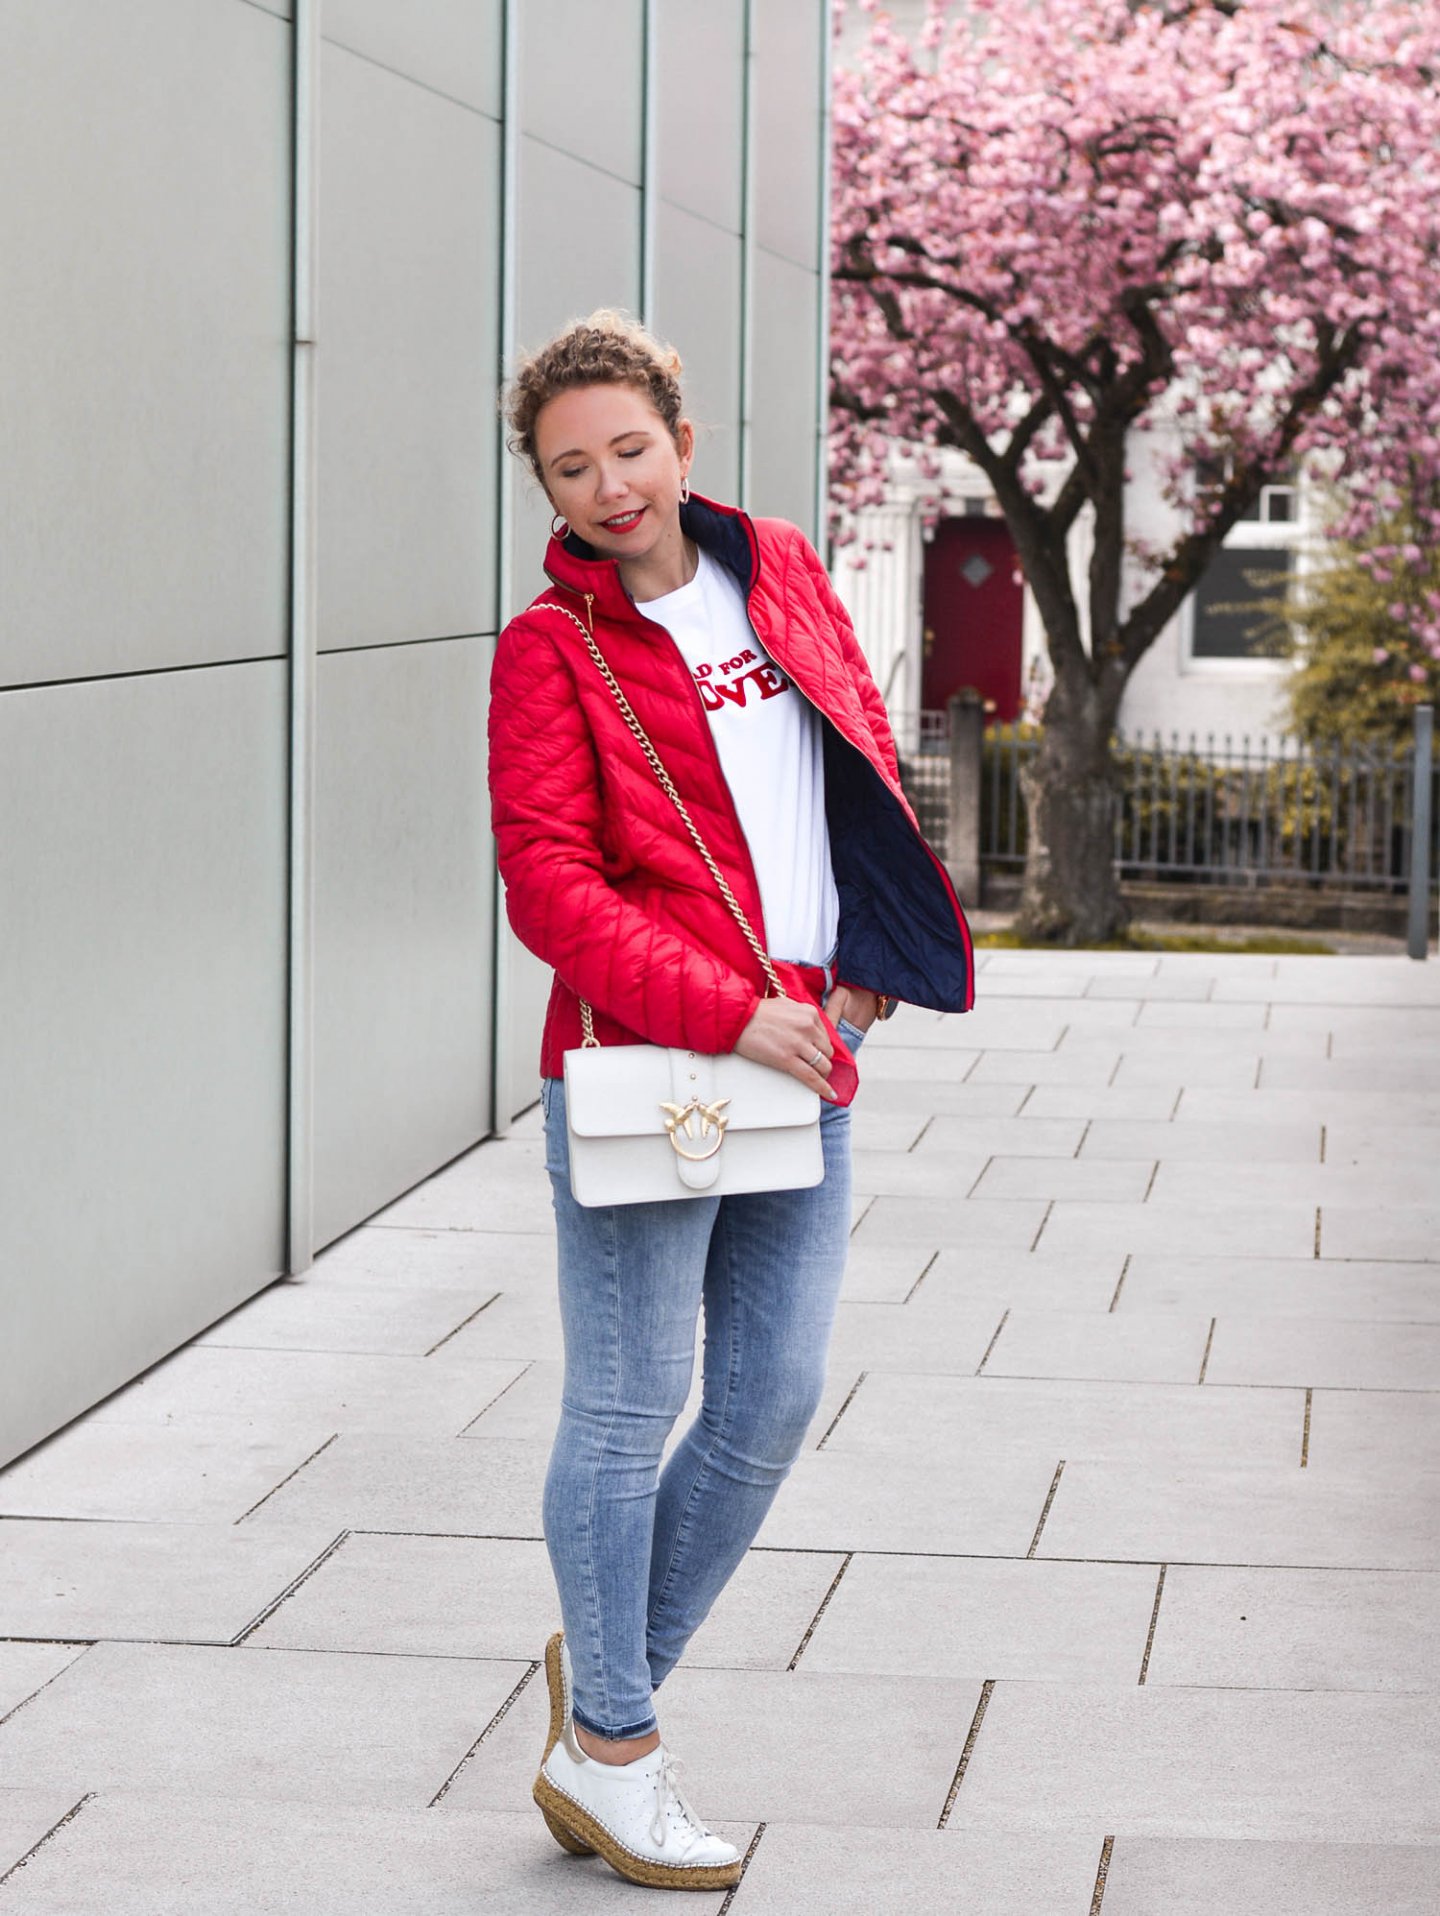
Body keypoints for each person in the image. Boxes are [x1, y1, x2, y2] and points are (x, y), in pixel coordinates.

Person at [488, 310, 973, 1891]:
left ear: (682, 443)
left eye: (631, 448)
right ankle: (619, 1751)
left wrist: (870, 946)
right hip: (652, 1063)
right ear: (547, 491)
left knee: (766, 1403)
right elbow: (549, 888)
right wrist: (726, 1008)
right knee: (627, 1411)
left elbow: (860, 755)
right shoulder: (549, 650)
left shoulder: (778, 570)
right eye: (573, 468)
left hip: (804, 1047)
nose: (611, 484)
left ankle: (597, 1699)